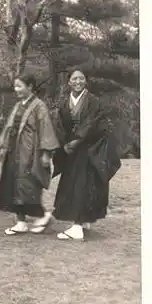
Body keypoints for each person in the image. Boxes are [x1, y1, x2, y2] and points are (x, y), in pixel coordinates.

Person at [51, 69, 122, 241]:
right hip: (71, 151)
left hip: (89, 150)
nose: (78, 81)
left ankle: (77, 227)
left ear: (86, 81)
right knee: (73, 186)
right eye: (74, 78)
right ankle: (82, 221)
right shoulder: (63, 102)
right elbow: (59, 125)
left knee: (82, 186)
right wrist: (63, 144)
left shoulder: (93, 102)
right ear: (68, 82)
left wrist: (76, 141)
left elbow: (93, 124)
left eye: (81, 78)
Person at [0, 73, 60, 236]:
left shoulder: (39, 106)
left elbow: (46, 131)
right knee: (13, 186)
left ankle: (44, 215)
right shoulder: (18, 105)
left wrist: (46, 154)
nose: (16, 89)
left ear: (30, 87)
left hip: (30, 152)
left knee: (29, 186)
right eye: (15, 86)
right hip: (14, 150)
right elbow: (9, 128)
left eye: (19, 86)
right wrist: (3, 146)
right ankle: (21, 221)